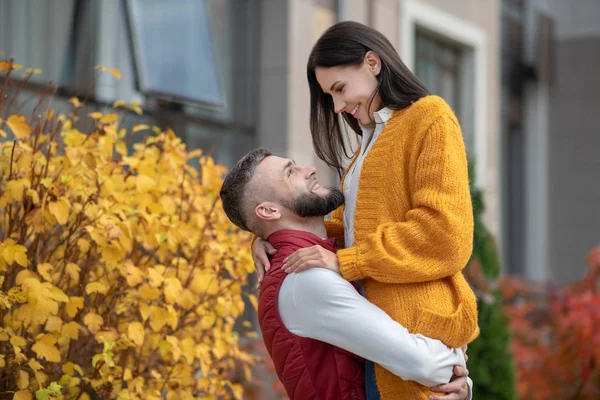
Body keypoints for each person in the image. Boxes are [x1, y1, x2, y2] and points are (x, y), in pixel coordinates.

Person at [252, 21, 479, 400]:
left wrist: (349, 262)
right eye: (330, 96)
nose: (338, 106)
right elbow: (353, 227)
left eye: (340, 89)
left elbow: (445, 235)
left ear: (372, 63)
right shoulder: (368, 145)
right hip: (381, 346)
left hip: (416, 344)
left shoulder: (429, 117)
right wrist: (273, 237)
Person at [220, 148, 473, 400]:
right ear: (269, 212)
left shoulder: (326, 258)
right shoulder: (305, 277)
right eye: (290, 173)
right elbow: (423, 364)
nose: (309, 170)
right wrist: (456, 356)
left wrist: (460, 384)